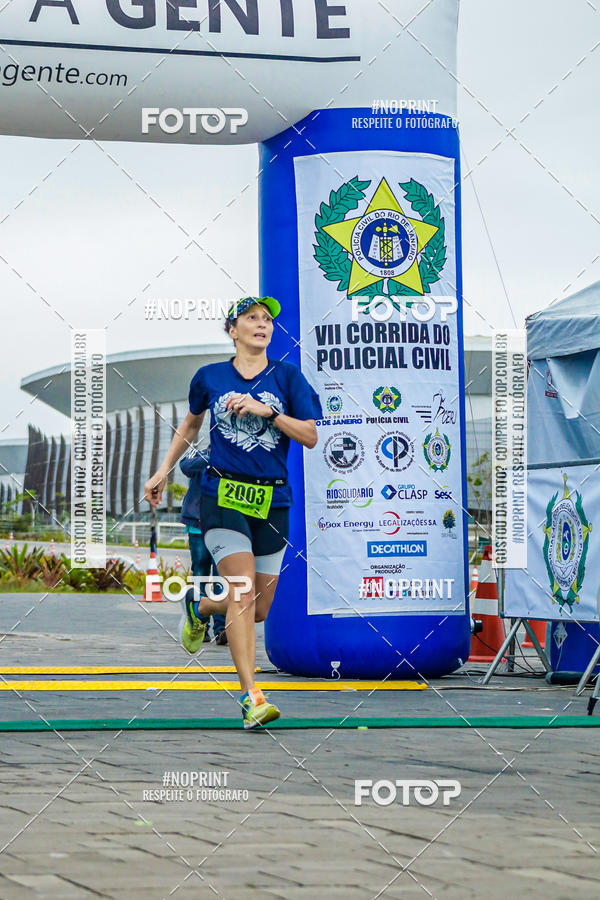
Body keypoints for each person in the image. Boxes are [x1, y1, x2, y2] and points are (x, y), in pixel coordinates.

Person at [144, 296, 322, 729]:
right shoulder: (210, 377)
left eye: (267, 321)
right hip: (222, 496)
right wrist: (162, 471)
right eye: (251, 319)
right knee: (241, 592)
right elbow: (190, 424)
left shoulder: (288, 377)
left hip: (273, 500)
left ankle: (200, 607)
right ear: (233, 330)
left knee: (259, 608)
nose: (262, 326)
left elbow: (311, 435)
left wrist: (271, 411)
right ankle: (252, 697)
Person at [179, 444, 227, 645]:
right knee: (200, 574)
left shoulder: (234, 453)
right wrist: (212, 455)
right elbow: (186, 466)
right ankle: (200, 623)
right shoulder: (200, 450)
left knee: (221, 577)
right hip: (197, 524)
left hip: (223, 525)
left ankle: (221, 628)